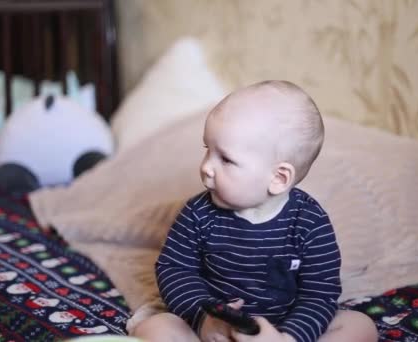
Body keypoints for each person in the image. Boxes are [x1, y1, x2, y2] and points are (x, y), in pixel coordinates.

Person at [131, 80, 378, 342]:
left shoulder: (309, 223)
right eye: (207, 150)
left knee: (360, 327)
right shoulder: (198, 214)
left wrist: (289, 337)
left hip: (284, 324)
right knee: (155, 328)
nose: (206, 167)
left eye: (225, 159)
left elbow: (319, 295)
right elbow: (174, 269)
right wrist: (203, 319)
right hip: (214, 325)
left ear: (279, 178)